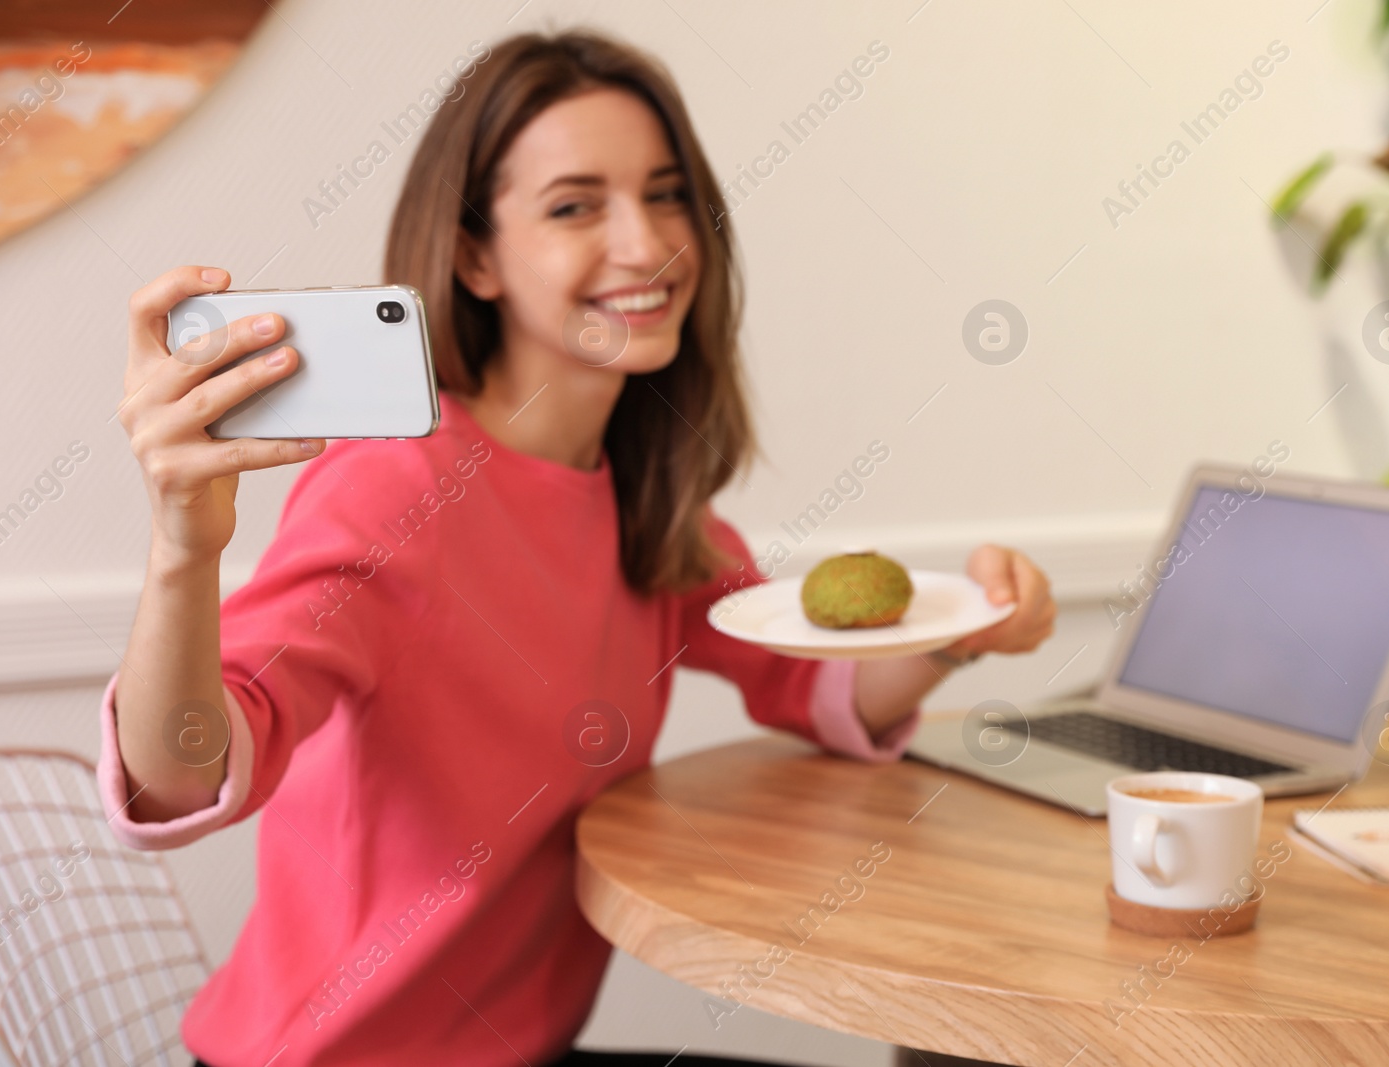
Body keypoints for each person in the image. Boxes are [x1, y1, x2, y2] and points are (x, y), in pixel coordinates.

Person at [102, 29, 1056, 1067]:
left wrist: (966, 628)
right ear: (475, 255)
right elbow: (182, 774)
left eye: (664, 194)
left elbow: (815, 687)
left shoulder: (647, 500)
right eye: (574, 206)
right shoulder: (398, 486)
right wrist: (180, 553)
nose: (646, 246)